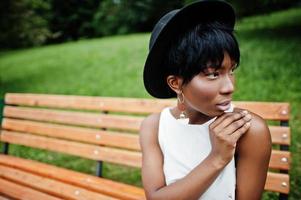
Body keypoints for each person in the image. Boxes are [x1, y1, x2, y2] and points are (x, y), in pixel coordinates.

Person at [139, 0, 272, 199]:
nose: (230, 87)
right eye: (212, 74)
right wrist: (217, 158)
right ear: (175, 83)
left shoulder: (249, 130)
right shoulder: (154, 127)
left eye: (231, 70)